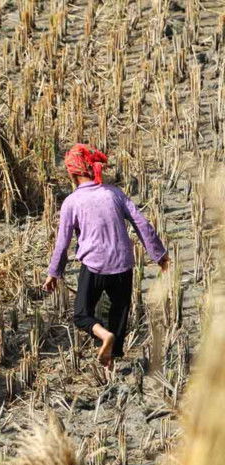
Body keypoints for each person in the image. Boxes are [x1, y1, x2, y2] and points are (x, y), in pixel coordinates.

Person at [43, 144, 169, 368]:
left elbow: (62, 242)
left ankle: (103, 337)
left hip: (94, 265)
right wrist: (158, 254)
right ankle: (111, 356)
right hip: (123, 264)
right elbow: (142, 223)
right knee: (119, 314)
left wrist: (55, 272)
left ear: (72, 173)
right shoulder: (114, 193)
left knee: (82, 315)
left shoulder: (72, 202)